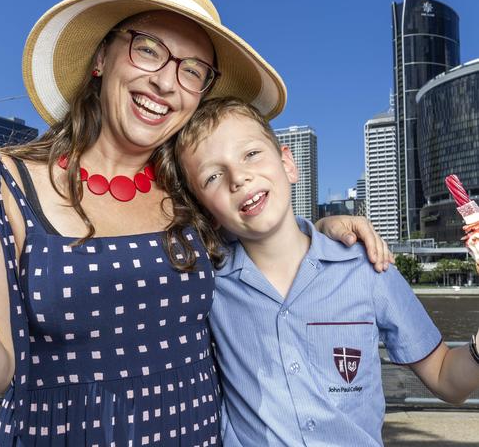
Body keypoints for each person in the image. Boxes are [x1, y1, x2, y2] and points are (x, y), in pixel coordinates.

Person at [0, 0, 390, 446]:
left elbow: (268, 240)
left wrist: (325, 229)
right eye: (149, 50)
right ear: (101, 59)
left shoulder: (195, 193)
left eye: (193, 71)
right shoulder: (2, 185)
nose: (167, 82)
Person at [171, 96, 479, 446]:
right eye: (212, 175)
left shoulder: (368, 267)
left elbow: (447, 379)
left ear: (288, 163)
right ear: (205, 209)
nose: (238, 177)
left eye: (251, 154)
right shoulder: (205, 284)